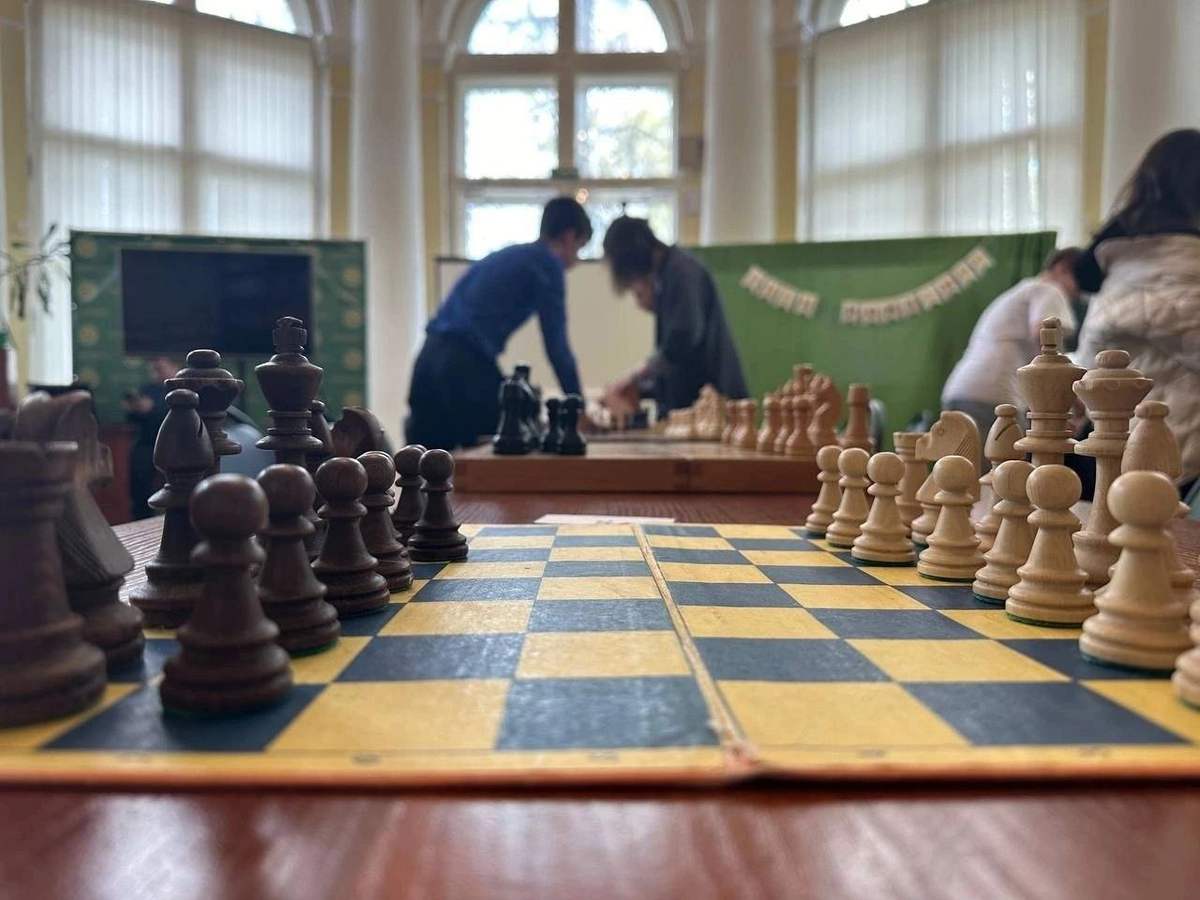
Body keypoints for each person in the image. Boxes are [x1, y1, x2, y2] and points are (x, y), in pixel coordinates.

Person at [406, 197, 592, 450]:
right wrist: (578, 407)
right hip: (464, 366)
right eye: (579, 248)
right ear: (569, 237)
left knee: (422, 465)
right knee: (506, 451)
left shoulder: (510, 255)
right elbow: (556, 345)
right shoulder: (548, 264)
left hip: (428, 360)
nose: (575, 261)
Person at [1073, 127, 1200, 488]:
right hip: (1169, 465)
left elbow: (1087, 367)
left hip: (1107, 452)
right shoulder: (1186, 266)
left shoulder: (1118, 267)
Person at [600, 216, 748, 423]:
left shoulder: (681, 271)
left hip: (712, 404)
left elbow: (683, 338)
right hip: (698, 405)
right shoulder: (668, 273)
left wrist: (636, 376)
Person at [941, 247, 1084, 440]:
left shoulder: (1022, 292)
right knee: (1001, 460)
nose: (1078, 294)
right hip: (993, 396)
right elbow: (1046, 340)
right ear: (1062, 268)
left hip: (964, 390)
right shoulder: (1048, 289)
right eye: (1080, 283)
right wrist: (1069, 400)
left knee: (961, 460)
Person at [124, 355, 177, 519]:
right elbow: (134, 420)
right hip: (147, 444)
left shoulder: (181, 389)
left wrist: (153, 408)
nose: (157, 373)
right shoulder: (148, 389)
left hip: (174, 444)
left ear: (174, 367)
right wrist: (135, 409)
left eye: (161, 369)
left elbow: (176, 416)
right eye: (154, 370)